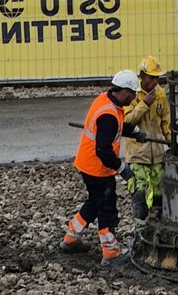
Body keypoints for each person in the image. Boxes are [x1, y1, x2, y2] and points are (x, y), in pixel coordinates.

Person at [63, 69, 139, 263]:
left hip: (87, 163)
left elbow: (117, 128)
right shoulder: (109, 115)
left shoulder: (106, 100)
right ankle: (110, 251)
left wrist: (135, 131)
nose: (133, 97)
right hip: (97, 168)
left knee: (95, 202)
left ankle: (71, 237)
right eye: (132, 94)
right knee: (107, 208)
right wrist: (123, 170)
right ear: (123, 91)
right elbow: (104, 151)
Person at [124, 55, 171, 224]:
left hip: (157, 154)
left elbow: (165, 120)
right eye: (151, 77)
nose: (155, 81)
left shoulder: (160, 94)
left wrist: (171, 140)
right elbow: (127, 121)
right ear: (142, 75)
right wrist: (144, 104)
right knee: (140, 192)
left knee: (159, 193)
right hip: (138, 155)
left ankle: (156, 223)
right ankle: (140, 229)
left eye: (157, 77)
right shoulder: (132, 95)